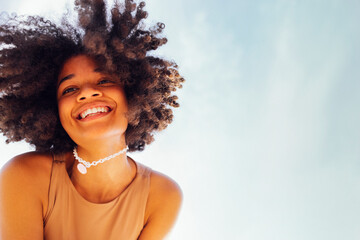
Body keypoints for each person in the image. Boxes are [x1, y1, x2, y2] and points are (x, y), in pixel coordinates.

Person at [0, 0, 184, 239]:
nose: (87, 92)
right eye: (68, 89)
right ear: (52, 112)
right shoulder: (24, 175)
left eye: (104, 81)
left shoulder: (162, 196)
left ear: (134, 93)